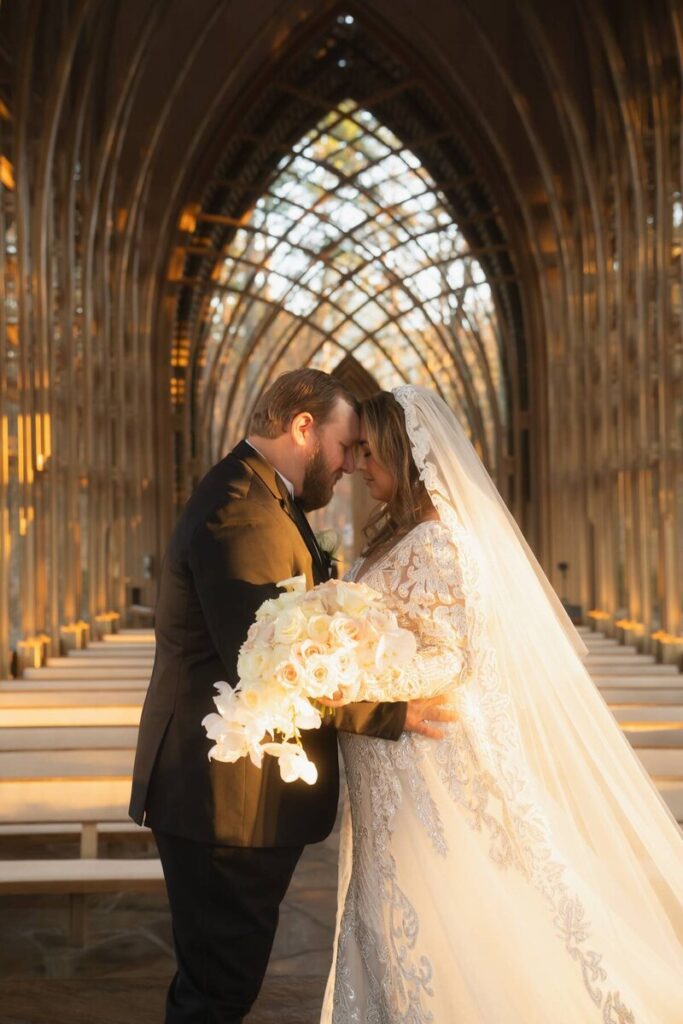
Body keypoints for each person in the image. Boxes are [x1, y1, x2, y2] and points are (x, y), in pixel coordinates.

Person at [321, 386, 683, 1023]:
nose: (358, 467)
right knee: (389, 915)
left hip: (423, 766)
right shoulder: (397, 538)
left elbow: (453, 660)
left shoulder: (440, 545)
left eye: (370, 454)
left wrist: (353, 668)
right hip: (387, 765)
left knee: (450, 916)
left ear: (407, 457)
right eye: (354, 453)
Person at [129, 368, 452, 1024]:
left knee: (220, 982)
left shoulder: (261, 500)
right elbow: (260, 663)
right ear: (303, 428)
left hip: (234, 796)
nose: (346, 467)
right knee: (216, 991)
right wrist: (389, 713)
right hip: (226, 801)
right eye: (343, 447)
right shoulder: (240, 511)